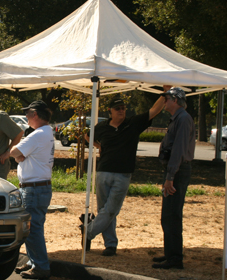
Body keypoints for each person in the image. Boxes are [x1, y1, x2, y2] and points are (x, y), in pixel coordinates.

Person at [82, 87, 171, 256]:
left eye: (123, 108)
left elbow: (153, 111)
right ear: (110, 111)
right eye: (117, 108)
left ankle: (88, 231)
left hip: (123, 174)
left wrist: (164, 95)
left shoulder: (132, 124)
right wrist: (98, 146)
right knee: (104, 210)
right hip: (103, 172)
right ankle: (110, 245)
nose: (121, 111)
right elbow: (87, 136)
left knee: (111, 210)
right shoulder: (102, 127)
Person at [10, 100, 55, 280]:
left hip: (33, 189)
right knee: (34, 227)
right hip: (40, 187)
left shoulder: (38, 134)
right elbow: (20, 154)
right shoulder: (47, 132)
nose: (26, 118)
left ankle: (41, 266)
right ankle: (34, 261)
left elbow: (14, 151)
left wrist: (19, 156)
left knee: (31, 228)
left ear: (35, 114)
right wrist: (21, 156)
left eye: (27, 114)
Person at [152, 87, 196, 269]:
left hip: (177, 172)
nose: (164, 102)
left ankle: (175, 258)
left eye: (167, 98)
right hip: (175, 171)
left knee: (172, 215)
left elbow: (178, 150)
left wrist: (170, 176)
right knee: (167, 215)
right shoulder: (178, 118)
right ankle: (170, 253)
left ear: (175, 100)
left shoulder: (183, 119)